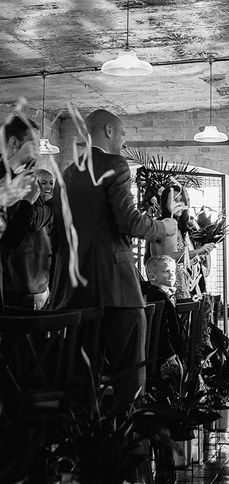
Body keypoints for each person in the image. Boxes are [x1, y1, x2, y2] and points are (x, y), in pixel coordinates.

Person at [49, 108, 177, 407]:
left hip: (74, 291)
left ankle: (86, 441)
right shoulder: (115, 165)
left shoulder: (66, 173)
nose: (123, 140)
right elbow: (129, 222)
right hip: (116, 288)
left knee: (83, 374)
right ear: (108, 130)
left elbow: (57, 236)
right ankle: (129, 443)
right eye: (122, 133)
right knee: (130, 371)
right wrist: (164, 226)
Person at [0, 116, 52, 310]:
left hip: (38, 281)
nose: (38, 153)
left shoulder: (29, 177)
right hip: (14, 283)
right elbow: (11, 237)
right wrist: (29, 204)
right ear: (14, 142)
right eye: (34, 145)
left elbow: (44, 220)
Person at [151, 184, 216, 300]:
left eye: (182, 200)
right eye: (174, 200)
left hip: (184, 285)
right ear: (165, 203)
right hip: (172, 287)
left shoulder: (180, 227)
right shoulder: (167, 223)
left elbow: (183, 259)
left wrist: (198, 256)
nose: (179, 204)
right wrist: (198, 251)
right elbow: (168, 258)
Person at [141, 254, 183, 370]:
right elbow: (161, 329)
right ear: (153, 276)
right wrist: (170, 356)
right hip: (162, 355)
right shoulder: (157, 295)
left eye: (173, 271)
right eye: (166, 271)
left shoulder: (161, 293)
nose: (172, 275)